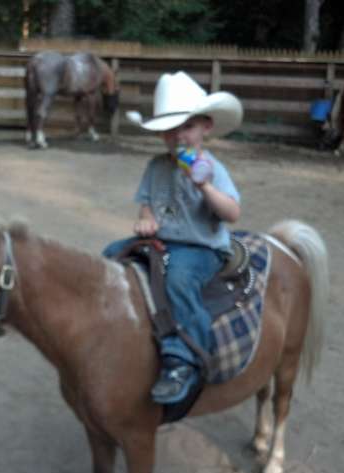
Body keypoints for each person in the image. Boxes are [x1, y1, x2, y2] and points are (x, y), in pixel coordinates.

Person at [103, 71, 244, 404]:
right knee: (111, 254)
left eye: (187, 127)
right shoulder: (156, 166)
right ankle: (115, 327)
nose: (177, 136)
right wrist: (146, 222)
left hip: (200, 248)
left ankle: (183, 358)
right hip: (161, 242)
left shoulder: (213, 168)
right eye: (169, 130)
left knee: (178, 278)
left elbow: (232, 213)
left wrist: (204, 186)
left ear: (205, 127)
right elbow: (148, 206)